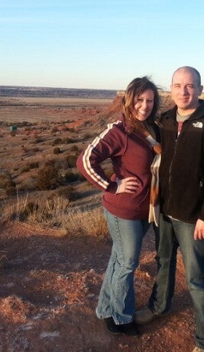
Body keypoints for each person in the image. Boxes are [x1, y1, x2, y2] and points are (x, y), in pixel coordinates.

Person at [135, 66, 204, 352]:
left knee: (197, 278)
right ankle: (158, 307)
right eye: (178, 86)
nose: (183, 91)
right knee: (163, 261)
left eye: (190, 86)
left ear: (201, 89)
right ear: (171, 88)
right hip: (164, 211)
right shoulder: (165, 120)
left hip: (193, 217)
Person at [76, 76, 161, 337]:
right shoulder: (120, 131)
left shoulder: (151, 130)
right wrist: (112, 186)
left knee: (118, 260)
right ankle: (122, 318)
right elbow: (85, 160)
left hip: (144, 211)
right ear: (129, 100)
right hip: (122, 210)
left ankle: (105, 309)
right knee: (127, 264)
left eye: (149, 100)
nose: (144, 105)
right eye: (139, 100)